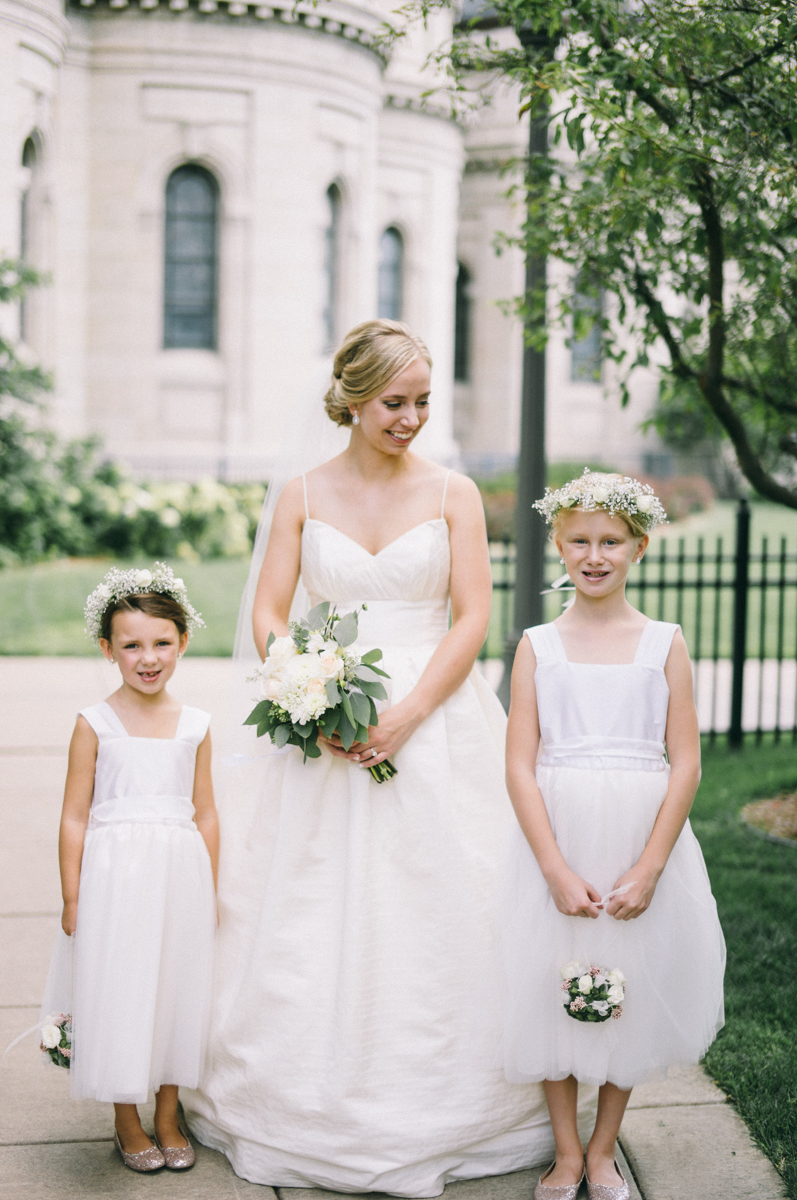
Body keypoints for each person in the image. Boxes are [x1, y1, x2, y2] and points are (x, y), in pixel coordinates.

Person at [184, 320, 594, 1194]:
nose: (411, 419)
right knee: (306, 903)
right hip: (325, 720)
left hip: (435, 716)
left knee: (446, 895)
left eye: (422, 403)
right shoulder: (300, 493)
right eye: (394, 404)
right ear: (352, 401)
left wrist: (407, 714)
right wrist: (307, 684)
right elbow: (268, 609)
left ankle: (454, 1098)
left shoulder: (452, 494)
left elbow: (474, 618)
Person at [502, 471, 726, 1200]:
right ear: (558, 547)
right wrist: (553, 868)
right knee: (551, 984)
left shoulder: (663, 642)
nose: (594, 556)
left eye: (610, 542)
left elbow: (685, 761)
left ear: (639, 546)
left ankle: (605, 1151)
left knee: (627, 987)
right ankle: (566, 1152)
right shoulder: (538, 644)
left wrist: (653, 864)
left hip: (637, 838)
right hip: (560, 837)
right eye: (579, 542)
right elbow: (519, 764)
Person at [46, 563, 218, 1173]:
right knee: (121, 988)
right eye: (132, 646)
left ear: (183, 643)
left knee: (174, 989)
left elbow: (206, 812)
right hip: (115, 881)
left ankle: (169, 1112)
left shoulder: (196, 725)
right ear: (107, 649)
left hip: (179, 878)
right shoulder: (95, 725)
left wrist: (210, 889)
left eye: (162, 643)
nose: (149, 658)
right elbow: (73, 816)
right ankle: (126, 1117)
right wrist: (73, 896)